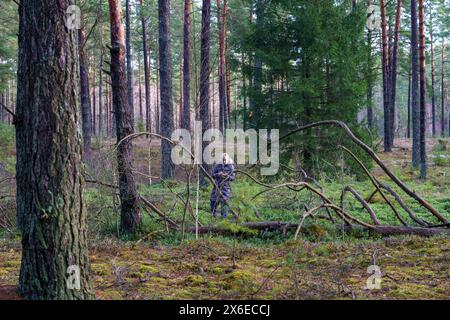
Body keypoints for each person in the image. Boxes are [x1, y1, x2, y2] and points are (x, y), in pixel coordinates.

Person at [210, 153, 235, 218]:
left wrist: (227, 176)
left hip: (225, 188)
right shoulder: (217, 165)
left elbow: (232, 178)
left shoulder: (230, 166)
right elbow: (212, 175)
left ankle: (224, 220)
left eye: (225, 160)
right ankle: (213, 217)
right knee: (213, 201)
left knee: (224, 204)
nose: (224, 161)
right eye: (223, 160)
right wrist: (218, 174)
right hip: (216, 187)